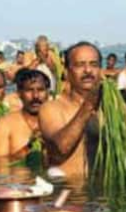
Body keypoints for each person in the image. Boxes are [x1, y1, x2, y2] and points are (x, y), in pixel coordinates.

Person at [38, 41, 102, 178]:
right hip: (68, 192)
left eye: (94, 64)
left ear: (100, 71)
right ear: (67, 72)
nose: (88, 70)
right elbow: (60, 150)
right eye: (80, 65)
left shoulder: (114, 109)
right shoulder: (51, 108)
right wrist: (88, 107)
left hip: (104, 193)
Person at [0, 69, 50, 159]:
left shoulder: (59, 121)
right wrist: (29, 147)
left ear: (48, 93)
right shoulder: (5, 124)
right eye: (29, 90)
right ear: (19, 93)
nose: (35, 96)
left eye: (40, 90)